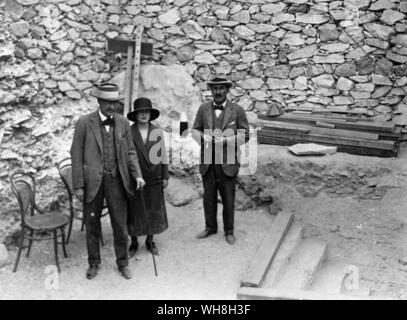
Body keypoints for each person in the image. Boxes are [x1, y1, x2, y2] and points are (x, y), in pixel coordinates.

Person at [70, 83, 145, 280]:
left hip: (116, 181)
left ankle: (122, 263)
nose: (111, 107)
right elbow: (75, 154)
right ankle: (93, 263)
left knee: (120, 225)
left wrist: (137, 175)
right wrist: (78, 185)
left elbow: (130, 152)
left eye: (114, 103)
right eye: (107, 102)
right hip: (92, 182)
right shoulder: (85, 123)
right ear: (99, 101)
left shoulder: (122, 123)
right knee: (92, 223)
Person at [192, 75, 250, 245]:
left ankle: (229, 231)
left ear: (227, 90)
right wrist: (204, 138)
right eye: (214, 88)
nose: (218, 92)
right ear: (210, 90)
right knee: (208, 197)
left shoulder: (237, 110)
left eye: (221, 88)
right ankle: (210, 227)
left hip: (228, 162)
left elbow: (245, 134)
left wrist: (227, 140)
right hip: (208, 162)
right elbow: (195, 130)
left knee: (228, 198)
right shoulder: (203, 109)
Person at [127, 97, 169, 257]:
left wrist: (165, 176)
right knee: (135, 211)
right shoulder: (129, 132)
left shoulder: (156, 131)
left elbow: (163, 154)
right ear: (135, 115)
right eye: (140, 112)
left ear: (150, 114)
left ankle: (150, 240)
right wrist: (133, 175)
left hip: (154, 176)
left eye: (146, 112)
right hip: (136, 177)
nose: (144, 115)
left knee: (152, 209)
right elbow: (127, 156)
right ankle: (134, 242)